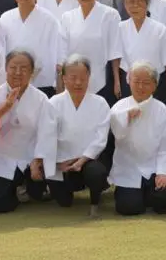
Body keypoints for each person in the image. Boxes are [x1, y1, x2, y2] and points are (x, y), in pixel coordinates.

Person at [0, 51, 57, 213]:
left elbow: (47, 132)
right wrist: (6, 106)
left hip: (30, 156)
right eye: (13, 67)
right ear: (6, 69)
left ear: (32, 72)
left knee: (38, 194)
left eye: (24, 68)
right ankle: (15, 190)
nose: (18, 72)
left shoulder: (41, 99)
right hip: (1, 157)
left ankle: (28, 187)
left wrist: (37, 160)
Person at [47, 55, 111, 219]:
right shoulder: (54, 103)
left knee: (96, 173)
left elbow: (100, 138)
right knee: (63, 202)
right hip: (62, 163)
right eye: (73, 78)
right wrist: (57, 162)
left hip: (88, 161)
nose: (78, 83)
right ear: (64, 78)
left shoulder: (100, 103)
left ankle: (95, 202)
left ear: (89, 78)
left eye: (83, 78)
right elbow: (47, 135)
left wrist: (82, 160)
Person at [109, 63, 166, 215]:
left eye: (146, 83)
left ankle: (150, 194)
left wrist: (163, 172)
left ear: (154, 85)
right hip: (128, 168)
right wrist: (126, 116)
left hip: (153, 167)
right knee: (129, 208)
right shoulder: (119, 107)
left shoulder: (161, 109)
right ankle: (138, 195)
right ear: (129, 81)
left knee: (163, 198)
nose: (140, 87)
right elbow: (116, 132)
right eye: (136, 81)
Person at [59, 0, 122, 104]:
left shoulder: (111, 15)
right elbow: (62, 52)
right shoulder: (67, 17)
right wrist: (61, 80)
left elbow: (115, 51)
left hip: (101, 78)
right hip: (73, 78)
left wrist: (117, 81)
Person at [0, 0, 62, 92]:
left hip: (41, 83)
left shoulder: (49, 20)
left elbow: (55, 53)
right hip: (12, 80)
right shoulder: (5, 17)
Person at [116, 0, 166, 108]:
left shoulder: (160, 29)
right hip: (130, 79)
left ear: (147, 4)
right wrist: (117, 81)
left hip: (154, 79)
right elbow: (116, 57)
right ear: (125, 5)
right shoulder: (120, 28)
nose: (135, 6)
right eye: (130, 2)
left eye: (139, 1)